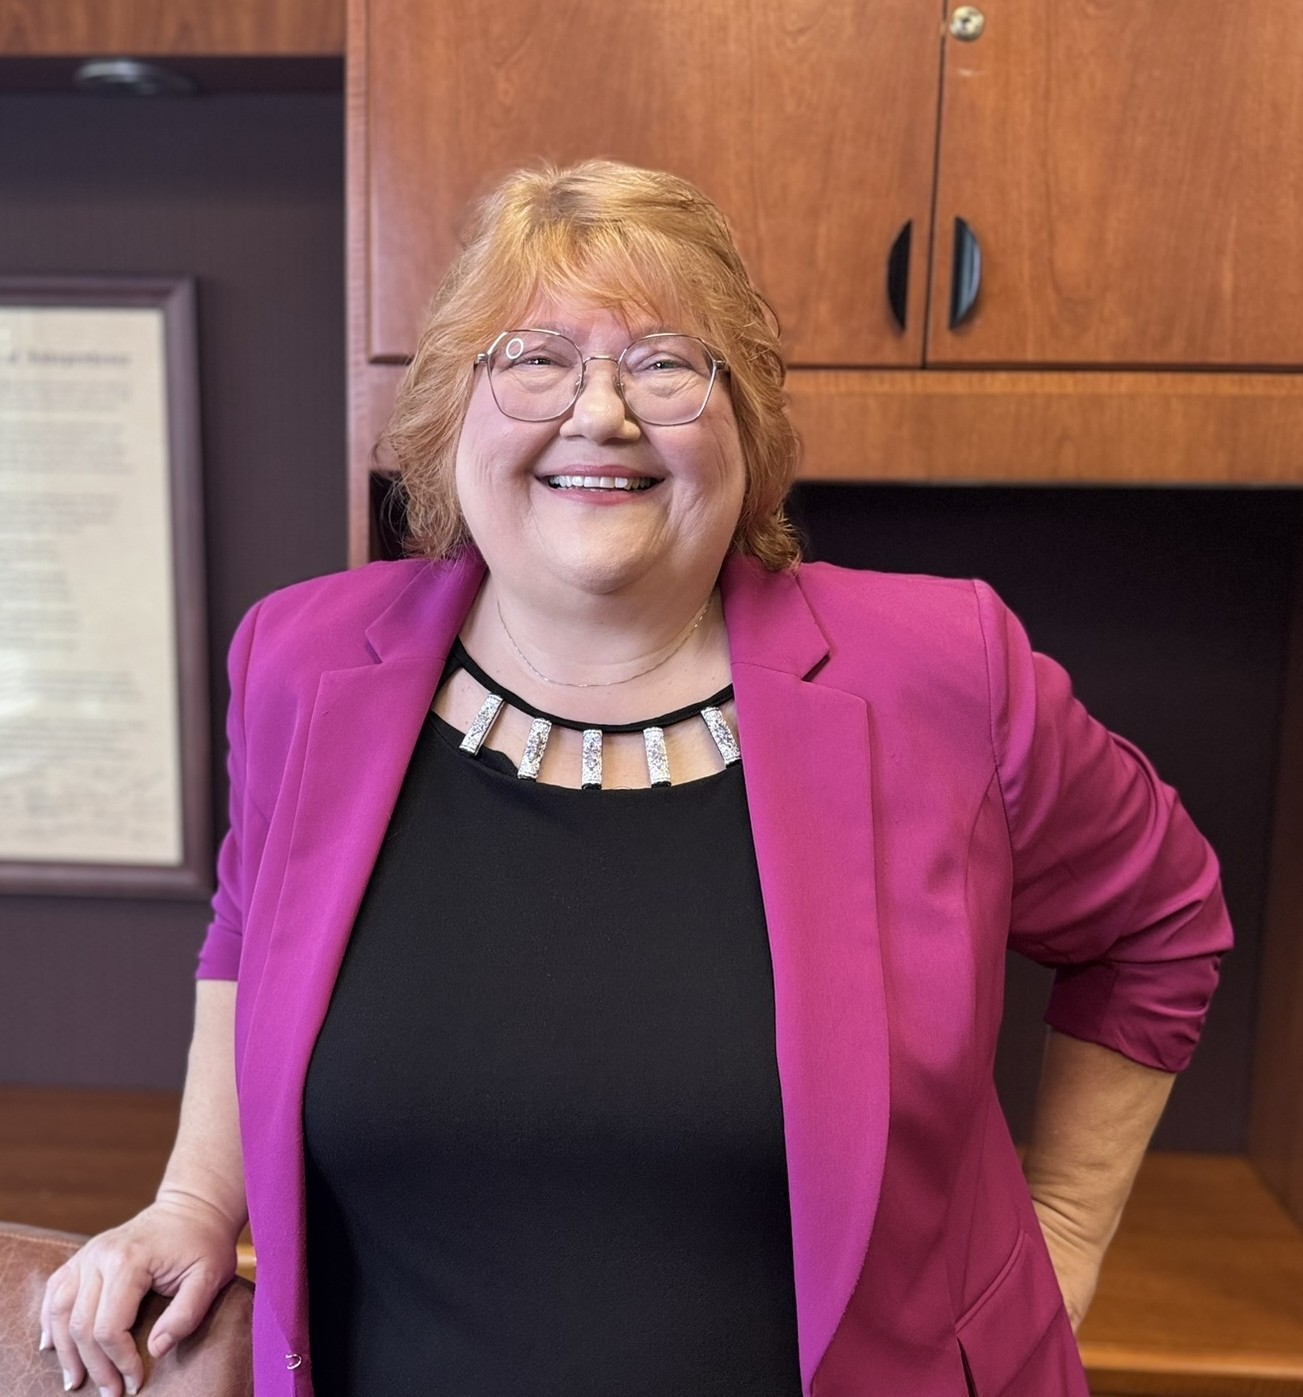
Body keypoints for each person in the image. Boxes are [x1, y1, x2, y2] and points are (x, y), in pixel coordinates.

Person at [39, 160, 1231, 1397]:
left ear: (744, 421)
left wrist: (1069, 1236)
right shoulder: (302, 661)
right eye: (534, 359)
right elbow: (249, 925)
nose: (600, 411)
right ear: (450, 413)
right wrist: (190, 1197)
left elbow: (1161, 918)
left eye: (667, 363)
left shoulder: (944, 673)